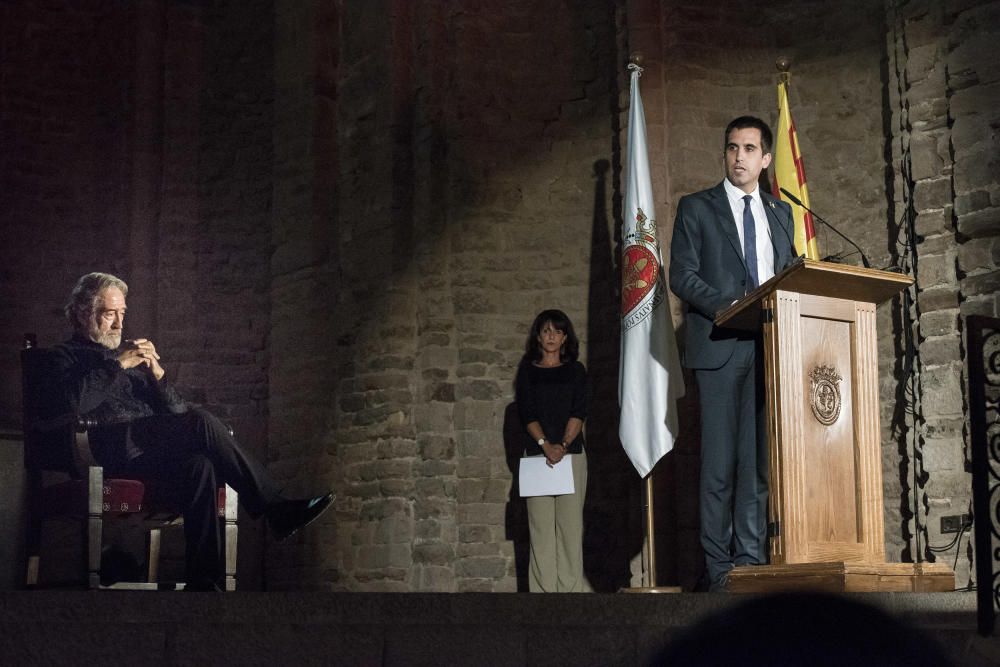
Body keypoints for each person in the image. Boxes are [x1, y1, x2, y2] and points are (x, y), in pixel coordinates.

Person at [49, 272, 334, 591]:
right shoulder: (64, 357)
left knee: (202, 464)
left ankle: (205, 581)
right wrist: (117, 365)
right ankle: (276, 508)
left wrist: (158, 376)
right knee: (201, 421)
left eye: (123, 314)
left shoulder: (131, 356)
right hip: (109, 451)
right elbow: (74, 403)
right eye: (109, 314)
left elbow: (178, 415)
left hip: (151, 451)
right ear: (83, 313)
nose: (118, 324)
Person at [668, 116, 797, 591]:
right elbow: (681, 275)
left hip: (770, 348)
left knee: (757, 466)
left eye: (748, 149)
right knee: (719, 465)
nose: (738, 157)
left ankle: (749, 561)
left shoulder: (780, 214)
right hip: (721, 347)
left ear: (765, 159)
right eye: (731, 148)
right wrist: (727, 307)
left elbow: (788, 273)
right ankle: (719, 569)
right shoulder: (697, 208)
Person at [515, 309, 589, 592]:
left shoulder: (576, 371)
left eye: (556, 332)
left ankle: (570, 592)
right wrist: (546, 446)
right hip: (537, 458)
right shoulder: (528, 371)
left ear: (565, 337)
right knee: (541, 529)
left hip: (571, 456)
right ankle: (543, 594)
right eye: (546, 331)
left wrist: (563, 446)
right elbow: (527, 413)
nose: (551, 336)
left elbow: (579, 411)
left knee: (570, 529)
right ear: (538, 335)